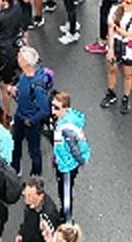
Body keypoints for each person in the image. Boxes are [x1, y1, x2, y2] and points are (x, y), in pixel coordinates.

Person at [10, 46, 53, 176]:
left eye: (20, 57)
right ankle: (15, 168)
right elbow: (22, 88)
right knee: (15, 143)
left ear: (26, 63)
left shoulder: (37, 86)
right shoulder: (25, 73)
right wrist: (16, 91)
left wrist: (31, 121)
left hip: (30, 121)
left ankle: (36, 174)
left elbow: (44, 110)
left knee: (34, 150)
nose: (17, 59)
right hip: (20, 116)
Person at [49, 92, 90, 222]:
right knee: (62, 190)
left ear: (65, 109)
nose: (53, 110)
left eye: (57, 108)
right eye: (52, 106)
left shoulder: (67, 128)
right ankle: (64, 212)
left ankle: (67, 219)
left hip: (67, 166)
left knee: (65, 193)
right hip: (63, 162)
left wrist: (78, 162)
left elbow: (74, 149)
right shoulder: (63, 119)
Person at [16, 177, 62, 241]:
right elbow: (27, 220)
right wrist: (21, 233)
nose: (26, 200)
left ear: (41, 196)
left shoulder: (49, 215)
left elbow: (50, 238)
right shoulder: (31, 204)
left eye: (30, 195)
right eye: (25, 195)